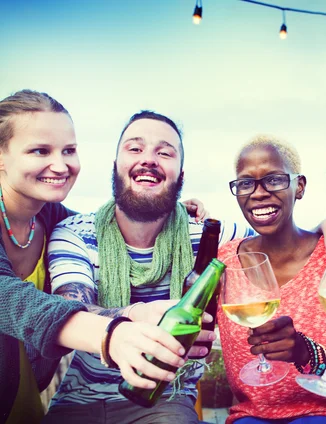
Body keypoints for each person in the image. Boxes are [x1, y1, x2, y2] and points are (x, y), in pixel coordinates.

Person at [0, 91, 199, 424]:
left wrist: (175, 210)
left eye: (69, 150)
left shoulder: (52, 221)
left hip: (19, 398)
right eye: (40, 151)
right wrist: (114, 333)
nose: (61, 164)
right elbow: (11, 299)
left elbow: (114, 224)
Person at [41, 110, 250, 423]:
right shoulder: (75, 233)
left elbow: (284, 245)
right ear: (116, 166)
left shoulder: (212, 236)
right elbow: (72, 311)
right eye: (135, 148)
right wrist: (134, 316)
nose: (149, 159)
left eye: (164, 152)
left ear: (180, 174)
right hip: (80, 400)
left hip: (166, 400)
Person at [216, 135, 326, 424]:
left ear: (299, 187)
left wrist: (303, 351)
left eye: (274, 180)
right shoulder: (224, 261)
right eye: (246, 183)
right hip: (251, 416)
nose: (259, 193)